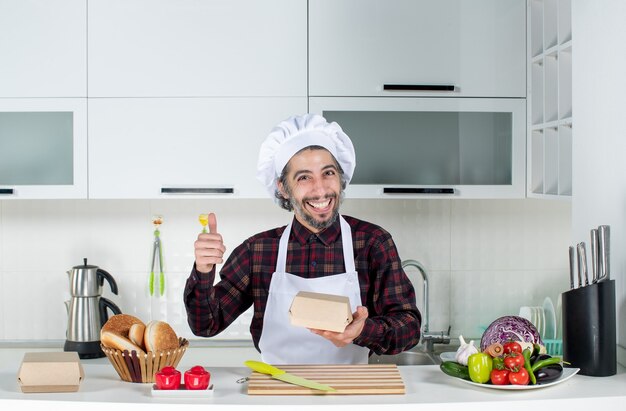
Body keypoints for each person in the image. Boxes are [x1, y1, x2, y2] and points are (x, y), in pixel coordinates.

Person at [184, 113, 421, 364]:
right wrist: (203, 269)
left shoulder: (373, 243)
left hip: (350, 392)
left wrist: (364, 330)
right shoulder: (258, 251)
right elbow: (205, 325)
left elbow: (409, 328)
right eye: (304, 177)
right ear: (283, 188)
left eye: (328, 173)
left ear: (340, 178)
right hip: (277, 392)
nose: (320, 190)